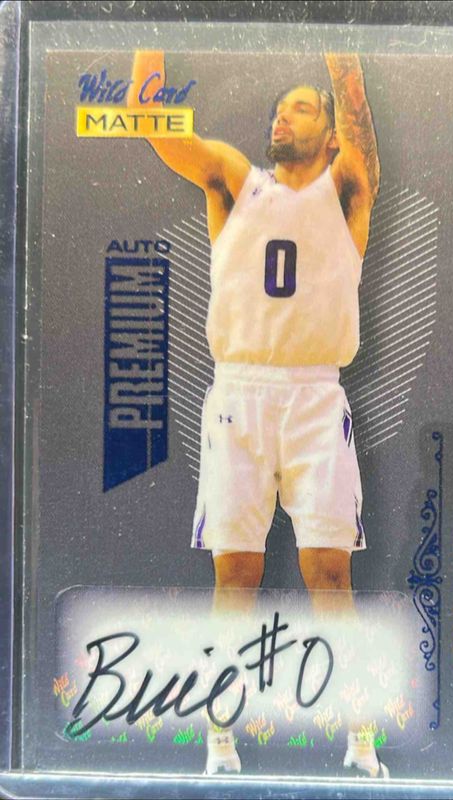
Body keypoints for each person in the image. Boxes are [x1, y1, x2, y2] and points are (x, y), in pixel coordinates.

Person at [128, 50, 384, 777]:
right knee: (234, 575)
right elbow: (154, 125)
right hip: (239, 394)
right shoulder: (236, 181)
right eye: (279, 107)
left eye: (301, 107)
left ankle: (361, 740)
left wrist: (344, 61)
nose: (281, 115)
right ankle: (218, 741)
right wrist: (149, 41)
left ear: (330, 135)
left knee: (329, 573)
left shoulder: (346, 188)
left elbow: (361, 131)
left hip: (315, 396)